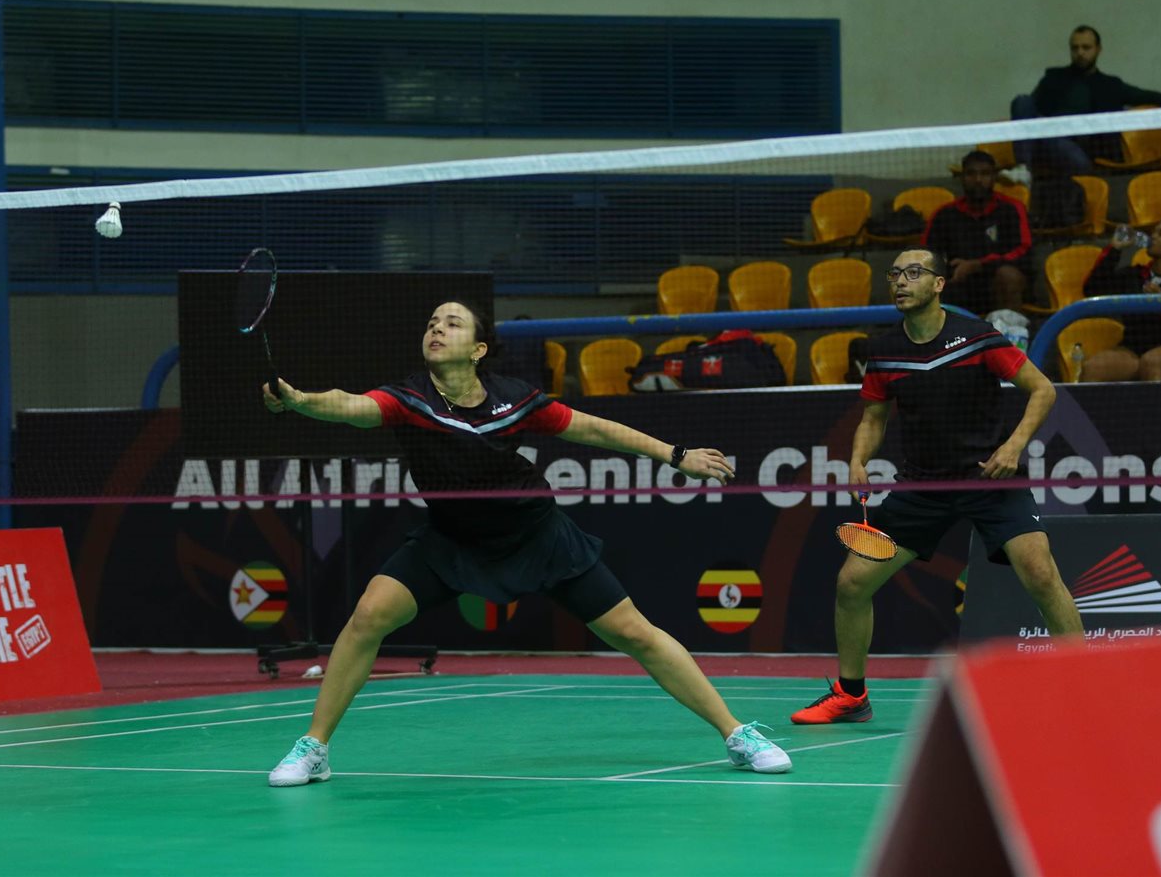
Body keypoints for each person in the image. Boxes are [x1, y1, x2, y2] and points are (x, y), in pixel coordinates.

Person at [263, 300, 791, 785]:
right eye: (430, 323)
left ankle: (736, 734)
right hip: (452, 539)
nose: (436, 329)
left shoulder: (514, 400)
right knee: (368, 616)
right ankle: (315, 748)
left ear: (478, 349)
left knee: (636, 633)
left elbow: (596, 430)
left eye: (451, 323)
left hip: (536, 535)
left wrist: (676, 455)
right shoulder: (409, 399)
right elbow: (351, 406)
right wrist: (302, 401)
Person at [790, 248, 1084, 726]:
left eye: (913, 273)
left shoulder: (977, 337)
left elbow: (1043, 389)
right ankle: (851, 696)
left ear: (939, 284)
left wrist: (1013, 447)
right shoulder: (885, 350)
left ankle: (1086, 684)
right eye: (894, 274)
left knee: (1040, 571)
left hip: (988, 476)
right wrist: (859, 458)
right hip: (923, 484)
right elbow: (874, 416)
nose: (900, 282)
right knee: (852, 583)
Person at [1006, 25, 1161, 182]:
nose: (1080, 53)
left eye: (1086, 47)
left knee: (1046, 132)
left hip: (1081, 155)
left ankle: (1029, 160)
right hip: (1045, 145)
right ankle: (1023, 169)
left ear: (1098, 49)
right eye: (1075, 48)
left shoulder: (1110, 85)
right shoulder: (1053, 78)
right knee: (1022, 101)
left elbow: (1149, 96)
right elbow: (1026, 113)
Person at [1080, 218, 1161, 382]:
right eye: (1153, 233)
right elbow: (1092, 289)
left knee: (1152, 362)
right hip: (1135, 347)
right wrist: (1115, 249)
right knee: (1093, 367)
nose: (1153, 237)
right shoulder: (1134, 275)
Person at [923, 150, 1032, 317]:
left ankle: (1007, 332)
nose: (978, 180)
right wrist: (948, 271)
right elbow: (926, 257)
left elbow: (1024, 252)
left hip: (998, 285)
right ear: (962, 178)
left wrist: (978, 265)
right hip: (959, 286)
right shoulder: (944, 214)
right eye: (971, 174)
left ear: (994, 177)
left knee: (1008, 276)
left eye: (985, 174)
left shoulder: (1011, 209)